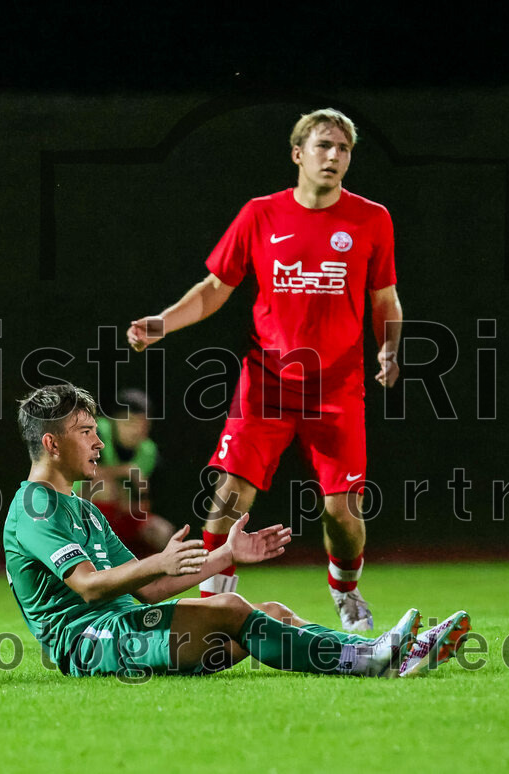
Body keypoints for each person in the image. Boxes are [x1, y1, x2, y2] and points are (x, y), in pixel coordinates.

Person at [127, 108, 403, 631]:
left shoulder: (371, 218)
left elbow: (385, 298)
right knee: (231, 494)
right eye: (324, 145)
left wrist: (389, 347)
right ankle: (213, 603)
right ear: (298, 154)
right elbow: (215, 288)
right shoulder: (260, 214)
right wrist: (163, 323)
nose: (334, 156)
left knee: (344, 513)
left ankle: (345, 589)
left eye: (343, 149)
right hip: (268, 382)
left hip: (337, 388)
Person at [4, 383, 470, 678]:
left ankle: (392, 652)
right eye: (85, 432)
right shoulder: (35, 506)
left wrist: (223, 556)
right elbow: (87, 586)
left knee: (272, 613)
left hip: (126, 627)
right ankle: (372, 658)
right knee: (230, 607)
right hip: (89, 643)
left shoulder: (83, 510)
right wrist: (160, 561)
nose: (98, 441)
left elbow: (149, 591)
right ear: (51, 443)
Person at [74, 388, 175, 557]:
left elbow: (144, 504)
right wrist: (125, 471)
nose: (137, 431)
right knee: (103, 488)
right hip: (78, 514)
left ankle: (141, 565)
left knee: (163, 531)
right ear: (114, 421)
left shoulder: (148, 451)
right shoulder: (95, 431)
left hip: (122, 517)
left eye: (144, 425)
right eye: (131, 423)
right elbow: (80, 474)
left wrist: (130, 500)